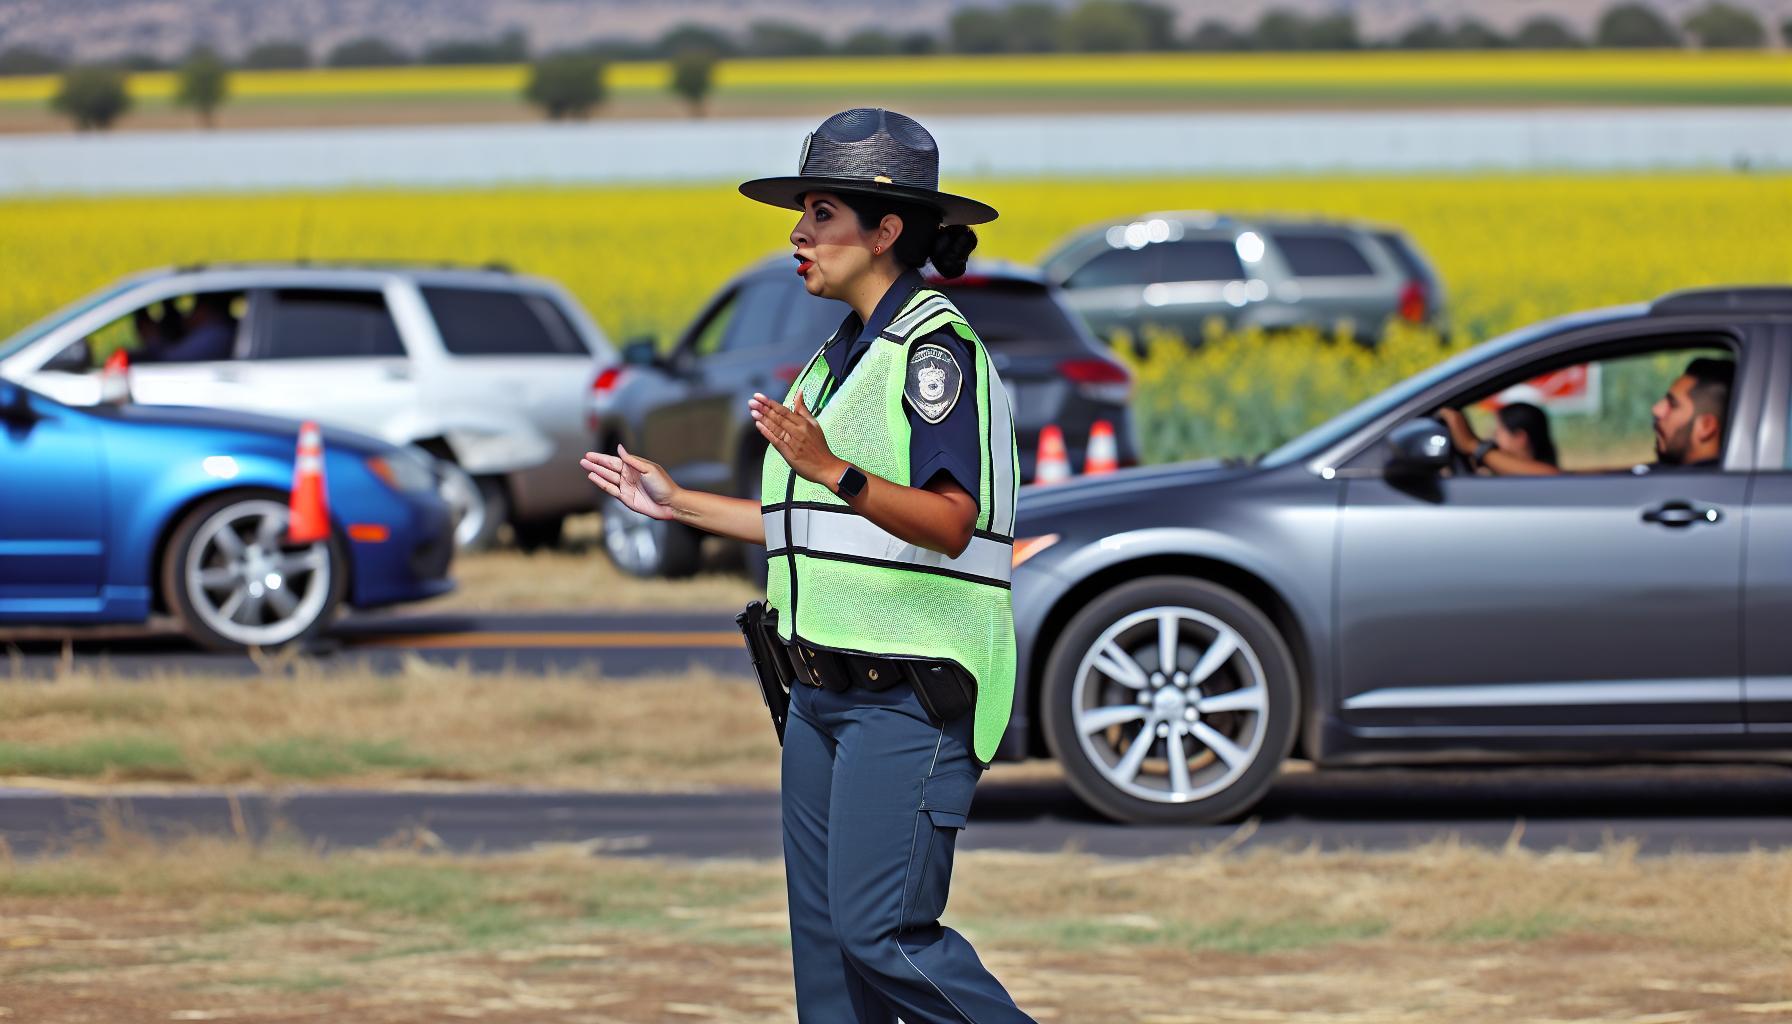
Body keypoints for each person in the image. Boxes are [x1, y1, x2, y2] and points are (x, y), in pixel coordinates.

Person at [580, 108, 1034, 1024]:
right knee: (827, 963)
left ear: (885, 230)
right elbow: (814, 523)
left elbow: (949, 522)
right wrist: (676, 503)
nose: (798, 234)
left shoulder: (934, 355)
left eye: (820, 214)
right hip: (822, 694)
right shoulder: (839, 360)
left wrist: (834, 467)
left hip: (910, 694)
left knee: (885, 937)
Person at [1439, 357, 1732, 475]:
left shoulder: (1695, 482)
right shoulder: (1673, 475)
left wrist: (1475, 447)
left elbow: (1555, 483)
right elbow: (1571, 480)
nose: (1656, 409)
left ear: (1706, 427)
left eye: (1672, 405)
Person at [1437, 401, 1558, 475]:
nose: (1493, 436)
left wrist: (1472, 445)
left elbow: (1550, 476)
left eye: (1498, 432)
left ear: (1520, 437)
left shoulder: (1546, 478)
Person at [140, 293, 236, 363]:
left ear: (206, 309)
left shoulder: (215, 335)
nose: (187, 317)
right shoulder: (218, 332)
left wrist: (152, 338)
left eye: (193, 309)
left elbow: (168, 361)